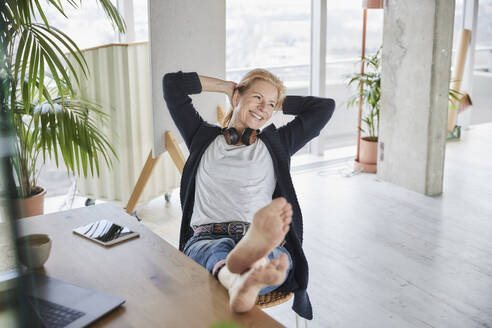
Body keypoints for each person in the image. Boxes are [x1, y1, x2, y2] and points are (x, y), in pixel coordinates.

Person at [162, 69, 335, 319]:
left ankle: (240, 275)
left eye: (271, 105)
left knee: (276, 257)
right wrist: (225, 87)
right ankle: (242, 276)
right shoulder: (202, 136)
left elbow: (324, 108)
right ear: (236, 98)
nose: (263, 108)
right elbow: (172, 84)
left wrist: (273, 102)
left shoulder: (277, 143)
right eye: (256, 98)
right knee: (212, 253)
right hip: (207, 238)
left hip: (257, 236)